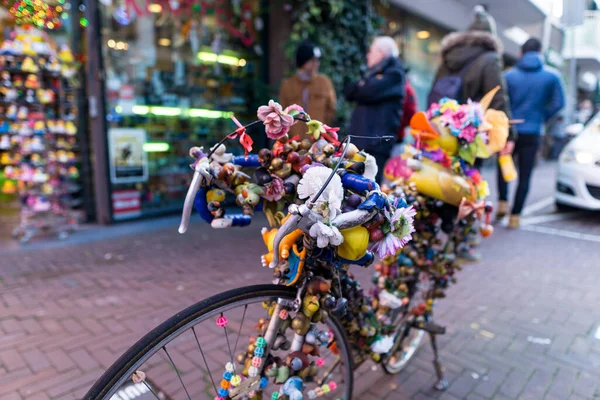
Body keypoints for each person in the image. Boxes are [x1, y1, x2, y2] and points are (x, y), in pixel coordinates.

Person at [429, 5, 515, 260]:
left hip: (442, 127)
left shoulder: (449, 55)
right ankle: (462, 241)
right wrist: (508, 135)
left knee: (440, 175)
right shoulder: (490, 58)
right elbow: (497, 98)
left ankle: (435, 230)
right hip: (470, 134)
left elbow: (436, 90)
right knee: (468, 184)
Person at [498, 38, 565, 228]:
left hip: (509, 129)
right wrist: (542, 116)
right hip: (533, 130)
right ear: (540, 52)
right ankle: (515, 216)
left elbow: (501, 102)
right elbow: (559, 103)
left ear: (521, 53)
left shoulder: (509, 76)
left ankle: (502, 203)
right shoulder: (552, 76)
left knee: (504, 165)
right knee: (525, 174)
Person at [345, 36, 406, 182]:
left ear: (381, 53)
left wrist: (362, 86)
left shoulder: (394, 74)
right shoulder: (380, 74)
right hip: (365, 142)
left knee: (366, 189)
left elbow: (366, 91)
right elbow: (351, 91)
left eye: (371, 51)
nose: (368, 55)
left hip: (374, 145)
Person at [279, 42, 337, 139]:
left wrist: (322, 130)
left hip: (319, 140)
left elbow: (331, 109)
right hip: (295, 141)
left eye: (317, 60)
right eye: (313, 60)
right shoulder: (288, 85)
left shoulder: (324, 82)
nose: (316, 64)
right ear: (303, 61)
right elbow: (283, 113)